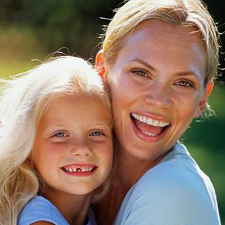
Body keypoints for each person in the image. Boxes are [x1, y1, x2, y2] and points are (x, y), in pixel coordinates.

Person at [93, 0, 221, 224]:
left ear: (203, 97)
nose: (158, 100)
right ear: (102, 69)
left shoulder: (173, 192)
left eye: (183, 83)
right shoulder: (63, 169)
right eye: (141, 73)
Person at [0, 56, 113, 225]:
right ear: (28, 149)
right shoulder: (39, 220)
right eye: (60, 134)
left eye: (96, 132)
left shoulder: (90, 213)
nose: (82, 148)